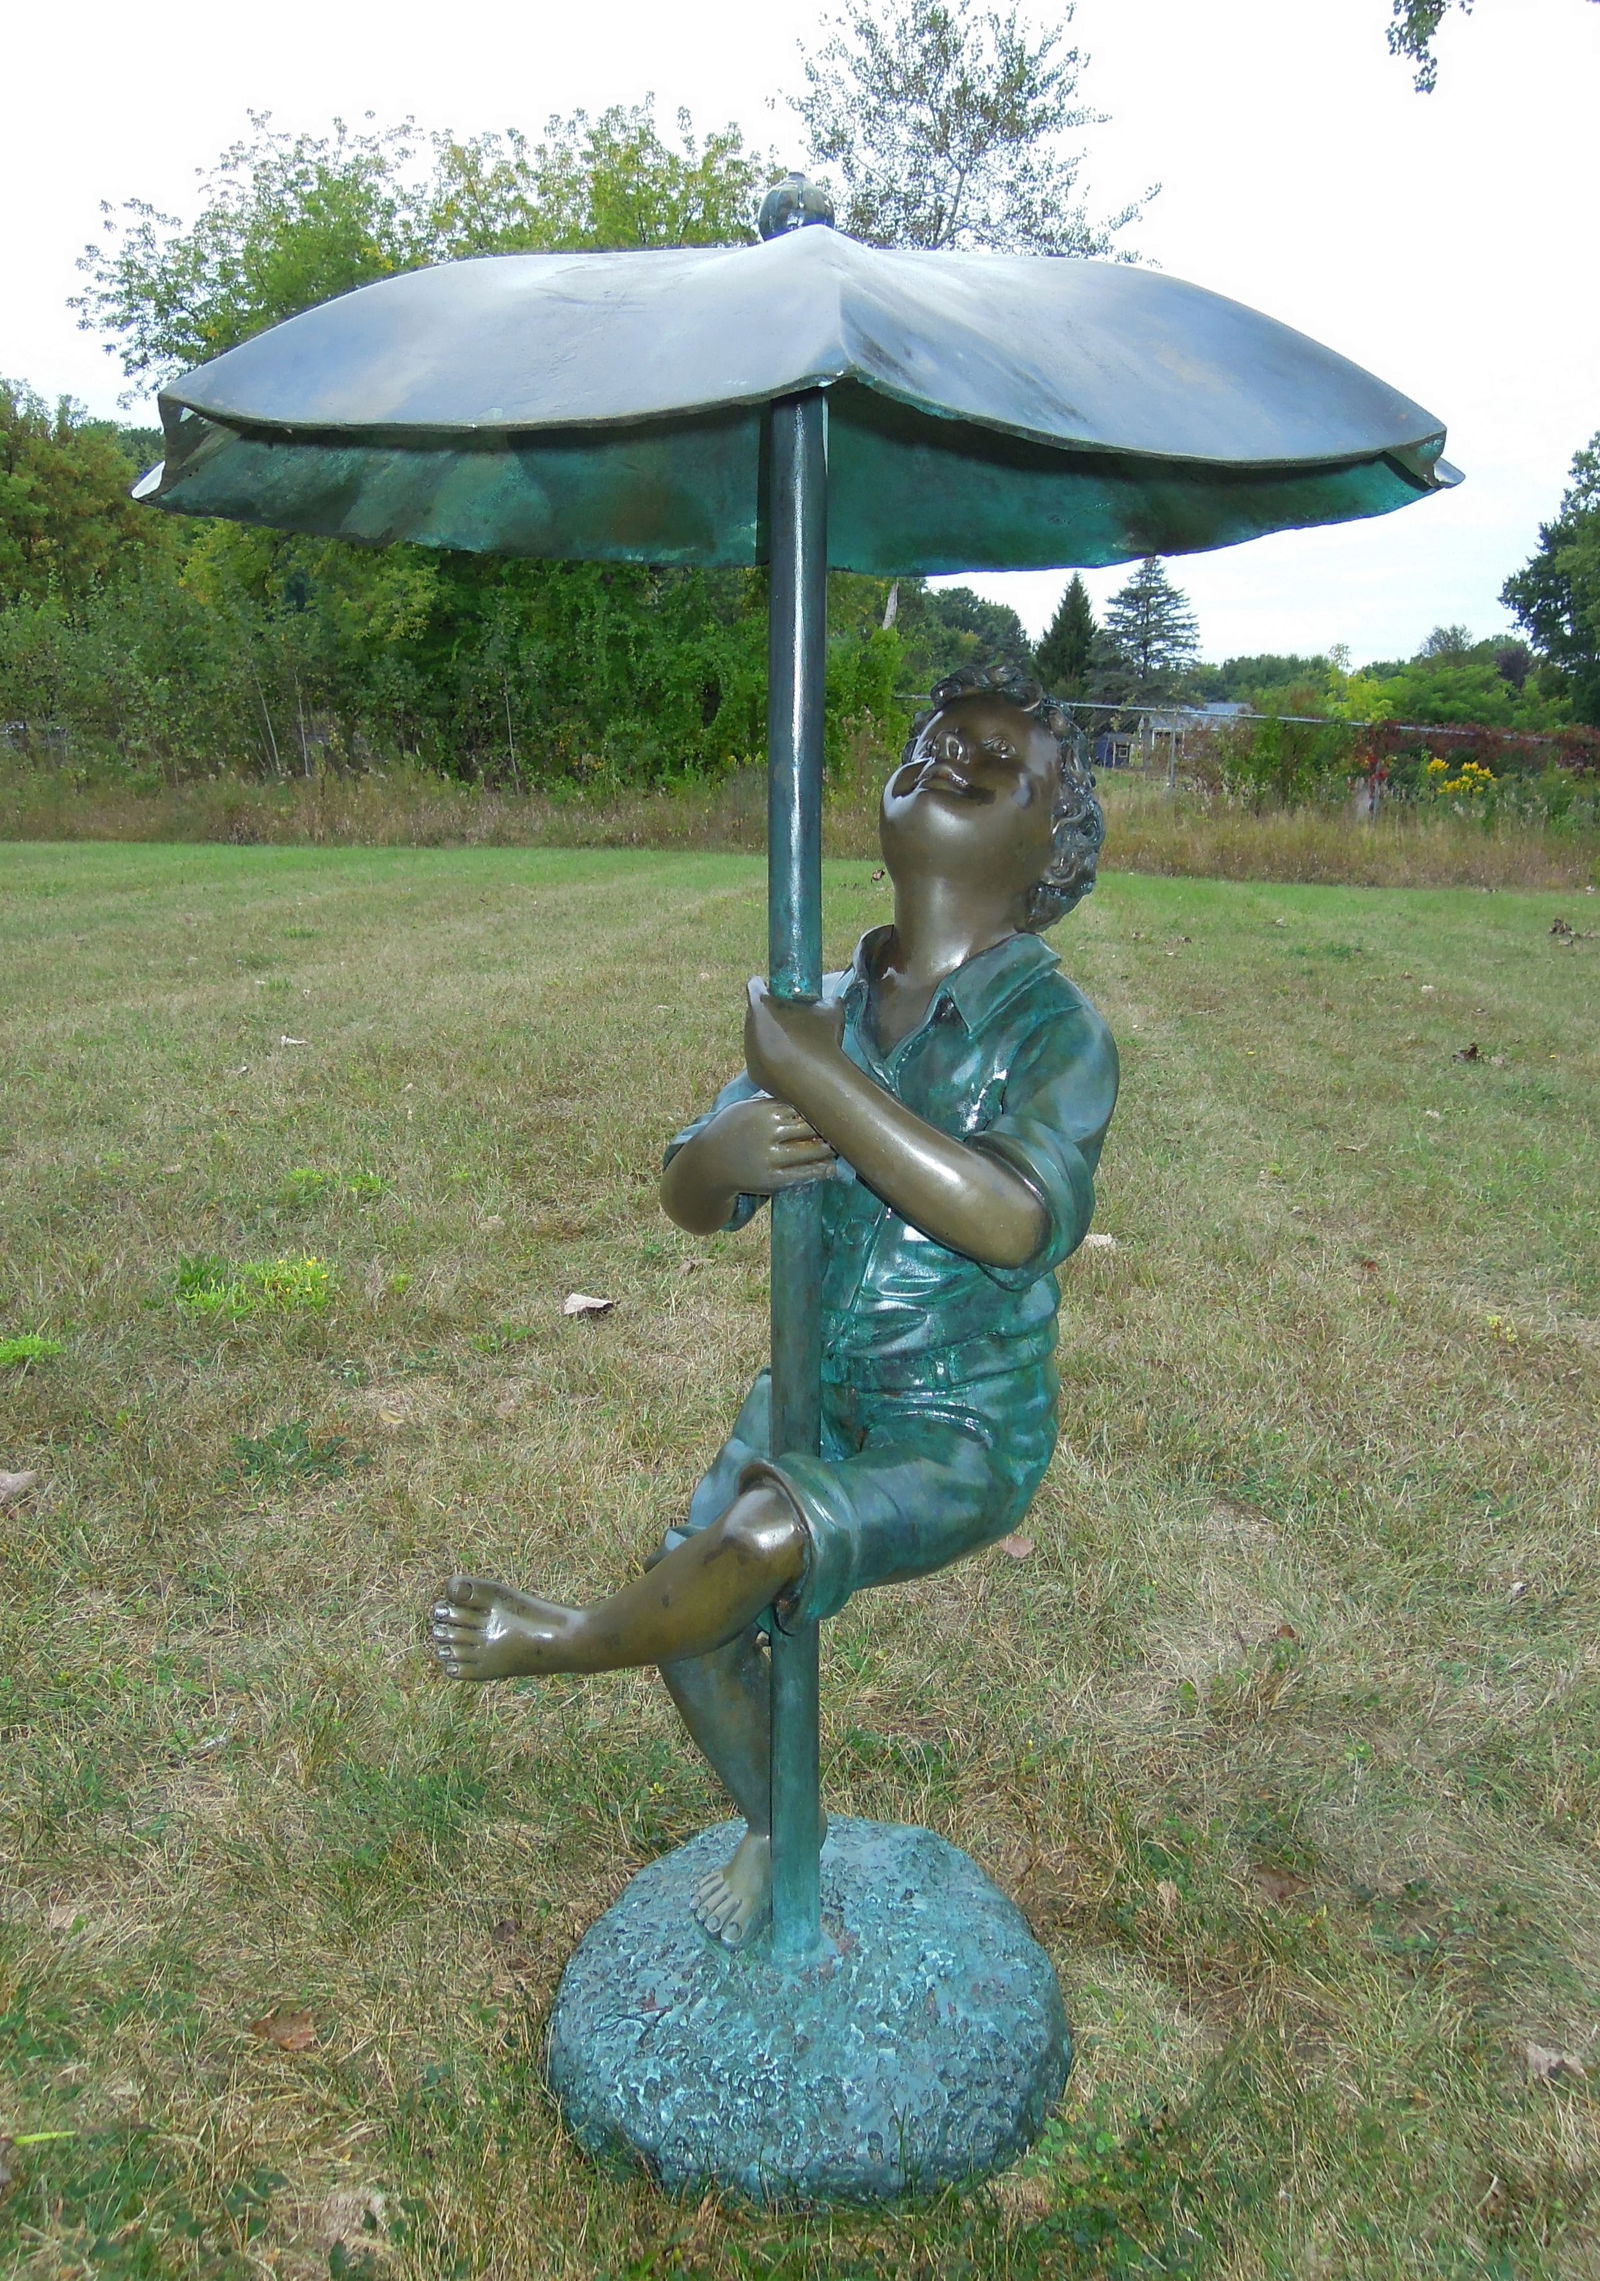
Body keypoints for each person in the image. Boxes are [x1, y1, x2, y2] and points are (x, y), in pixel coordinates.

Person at [429, 662, 1118, 1947]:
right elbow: (688, 1196)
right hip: (805, 1389)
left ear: (1049, 843)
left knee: (743, 1553)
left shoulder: (1051, 1029)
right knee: (692, 1613)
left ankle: (560, 1640)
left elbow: (1013, 1220)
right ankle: (773, 1821)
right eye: (936, 736)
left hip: (952, 1426)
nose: (953, 754)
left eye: (998, 758)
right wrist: (724, 1152)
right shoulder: (831, 1000)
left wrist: (813, 1074)